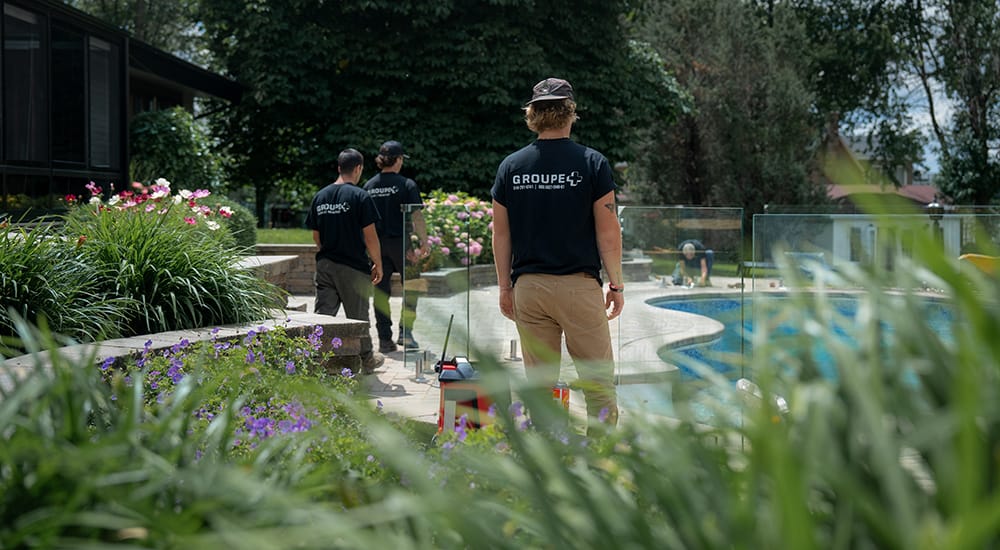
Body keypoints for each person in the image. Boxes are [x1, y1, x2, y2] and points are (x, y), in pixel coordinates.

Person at [491, 77, 624, 434]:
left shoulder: (511, 167)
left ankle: (548, 469)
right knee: (598, 387)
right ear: (570, 113)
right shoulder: (592, 163)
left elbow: (500, 234)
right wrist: (616, 284)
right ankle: (601, 466)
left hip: (529, 289)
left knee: (540, 388)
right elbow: (608, 232)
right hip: (578, 288)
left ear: (533, 115)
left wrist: (505, 287)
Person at [305, 148, 384, 374]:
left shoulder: (320, 196)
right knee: (357, 316)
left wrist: (328, 253)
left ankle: (313, 358)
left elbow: (316, 236)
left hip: (326, 264)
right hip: (353, 267)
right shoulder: (360, 196)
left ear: (339, 168)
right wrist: (378, 263)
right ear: (358, 168)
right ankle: (366, 359)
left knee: (322, 315)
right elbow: (370, 236)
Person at [363, 140, 429, 353]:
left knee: (381, 293)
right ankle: (406, 333)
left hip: (377, 246)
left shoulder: (369, 186)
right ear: (398, 159)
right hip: (403, 245)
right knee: (413, 287)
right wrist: (424, 241)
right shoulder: (406, 184)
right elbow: (417, 216)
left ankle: (384, 340)